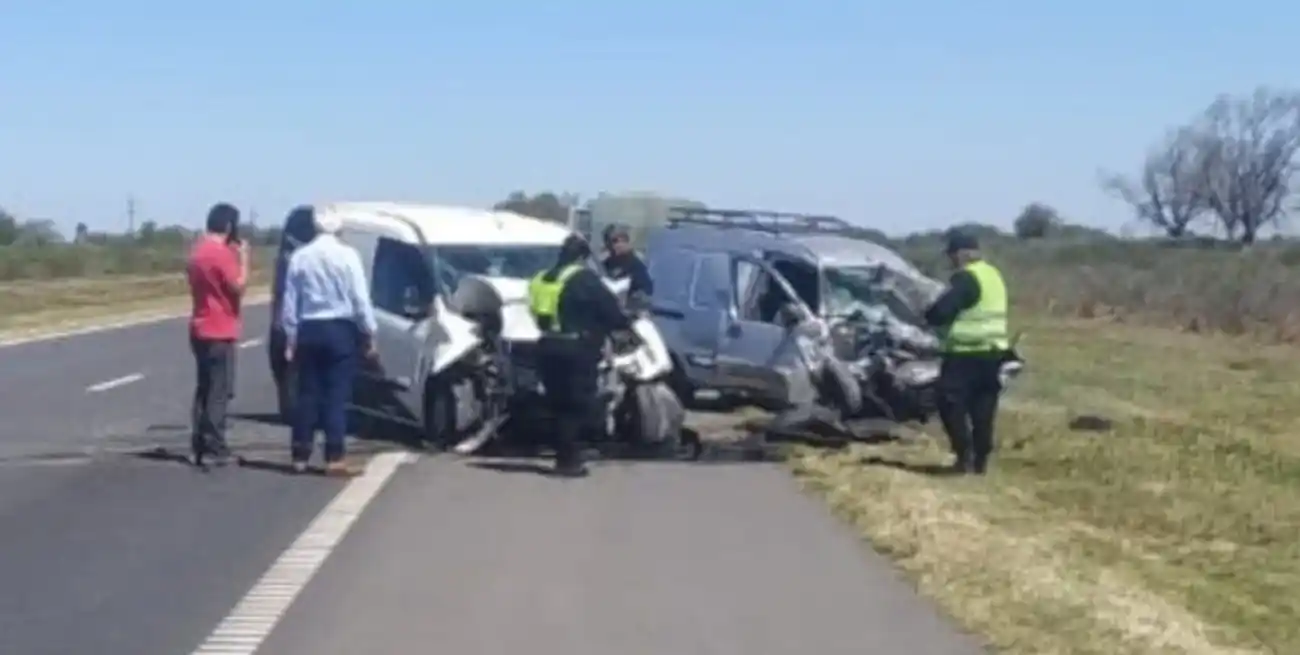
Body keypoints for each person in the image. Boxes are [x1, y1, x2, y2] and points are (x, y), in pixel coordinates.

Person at [280, 208, 378, 477]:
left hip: (309, 327)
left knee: (307, 393)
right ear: (339, 229)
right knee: (336, 395)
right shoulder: (348, 256)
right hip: (339, 328)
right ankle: (334, 455)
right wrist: (369, 332)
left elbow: (290, 302)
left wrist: (291, 335)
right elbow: (360, 299)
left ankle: (300, 454)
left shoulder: (300, 257)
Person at [528, 233, 633, 477]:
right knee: (575, 406)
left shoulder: (541, 279)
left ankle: (563, 455)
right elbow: (610, 310)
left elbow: (534, 310)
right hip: (577, 350)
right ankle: (569, 461)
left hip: (547, 346)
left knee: (558, 404)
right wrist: (623, 322)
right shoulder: (584, 279)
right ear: (583, 257)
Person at [923, 229, 1010, 475]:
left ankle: (964, 456)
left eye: (952, 255)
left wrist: (928, 315)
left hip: (965, 354)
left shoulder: (966, 278)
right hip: (993, 353)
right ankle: (980, 461)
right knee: (983, 407)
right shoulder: (993, 275)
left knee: (949, 403)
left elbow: (942, 311)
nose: (950, 260)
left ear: (961, 254)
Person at [187, 202, 249, 469]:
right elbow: (238, 287)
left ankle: (198, 443)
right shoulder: (221, 253)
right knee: (219, 390)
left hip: (200, 325)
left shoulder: (197, 251)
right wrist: (244, 259)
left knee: (204, 387)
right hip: (220, 327)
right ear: (229, 226)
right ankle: (215, 445)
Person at [600, 224, 654, 298]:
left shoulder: (636, 263)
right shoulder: (605, 264)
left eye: (623, 240)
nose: (620, 244)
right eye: (614, 241)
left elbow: (647, 290)